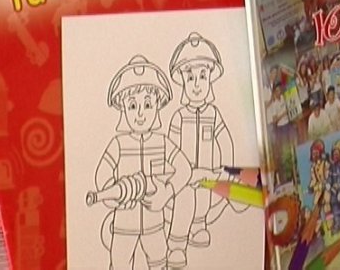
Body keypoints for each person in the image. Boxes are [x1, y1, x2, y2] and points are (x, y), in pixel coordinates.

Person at [94, 55, 192, 270]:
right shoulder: (118, 144)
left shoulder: (162, 142)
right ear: (122, 108)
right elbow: (103, 174)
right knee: (119, 263)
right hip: (123, 224)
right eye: (132, 105)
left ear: (158, 105)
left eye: (147, 104)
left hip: (154, 223)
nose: (140, 113)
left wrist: (166, 193)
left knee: (159, 262)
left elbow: (184, 168)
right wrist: (113, 197)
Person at [167, 33, 237, 268]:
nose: (197, 84)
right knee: (184, 203)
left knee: (205, 200)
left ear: (210, 79)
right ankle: (177, 243)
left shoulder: (213, 114)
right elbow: (171, 148)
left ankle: (198, 225)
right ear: (182, 81)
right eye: (190, 77)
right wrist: (179, 173)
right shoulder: (179, 116)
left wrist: (227, 169)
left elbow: (225, 140)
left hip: (207, 174)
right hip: (184, 179)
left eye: (202, 76)